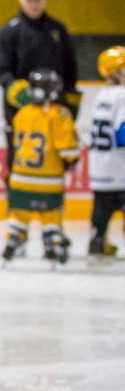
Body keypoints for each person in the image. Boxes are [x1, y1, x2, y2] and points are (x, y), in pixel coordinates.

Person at [1, 69, 80, 264]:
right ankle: (53, 240)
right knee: (51, 214)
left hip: (20, 177)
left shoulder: (22, 112)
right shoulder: (60, 113)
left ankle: (14, 238)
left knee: (19, 212)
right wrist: (72, 159)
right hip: (49, 178)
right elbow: (67, 149)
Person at [0, 0, 79, 173]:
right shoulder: (11, 31)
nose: (35, 4)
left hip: (54, 106)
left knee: (58, 157)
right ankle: (17, 194)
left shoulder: (57, 29)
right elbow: (1, 70)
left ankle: (52, 197)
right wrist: (16, 90)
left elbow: (71, 67)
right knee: (16, 155)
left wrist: (71, 98)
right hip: (21, 107)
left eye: (38, 0)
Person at [83, 47, 125, 258]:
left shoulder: (102, 94)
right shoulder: (124, 95)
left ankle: (97, 241)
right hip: (121, 168)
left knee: (101, 209)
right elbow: (122, 133)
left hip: (100, 167)